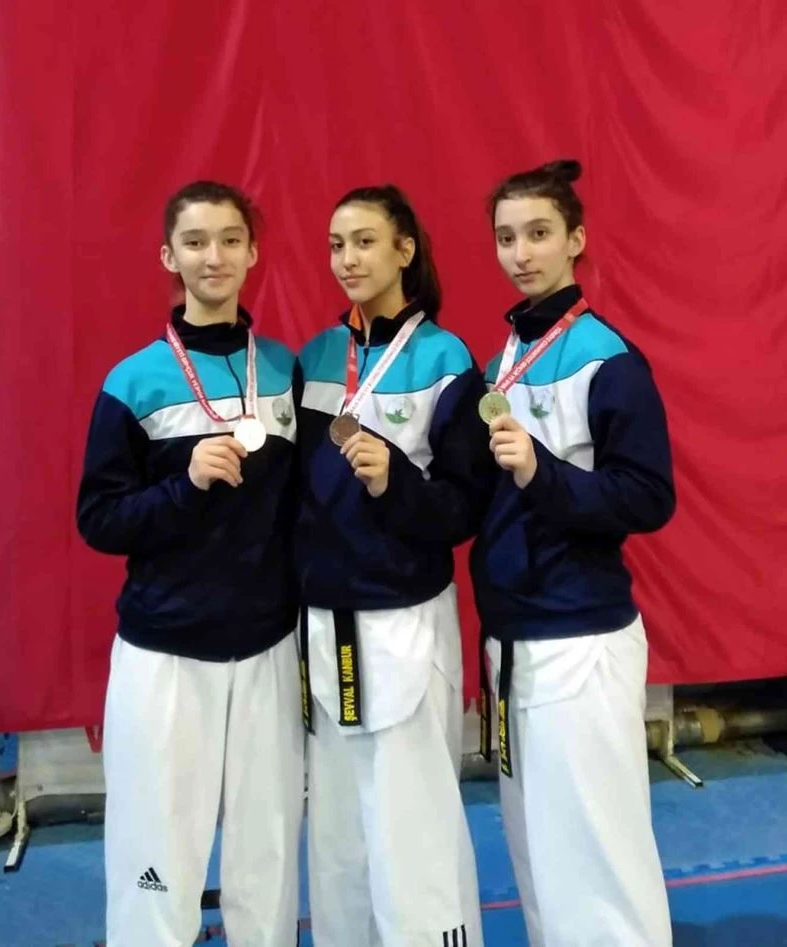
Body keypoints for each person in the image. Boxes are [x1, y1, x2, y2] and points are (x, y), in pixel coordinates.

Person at [77, 181, 303, 947]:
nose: (215, 256)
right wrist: (185, 486)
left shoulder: (282, 372)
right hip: (167, 650)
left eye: (231, 239)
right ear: (168, 257)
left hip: (268, 647)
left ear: (253, 252)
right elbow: (100, 520)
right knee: (157, 851)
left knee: (267, 850)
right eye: (197, 241)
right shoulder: (132, 381)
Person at [471, 159, 675, 946]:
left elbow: (648, 496)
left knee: (598, 857)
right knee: (540, 857)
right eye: (506, 237)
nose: (521, 253)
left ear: (576, 240)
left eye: (539, 233)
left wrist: (541, 470)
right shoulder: (505, 355)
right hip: (514, 636)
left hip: (580, 637)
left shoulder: (607, 358)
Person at [295, 184, 492, 947]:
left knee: (413, 827)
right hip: (324, 622)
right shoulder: (315, 357)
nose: (348, 259)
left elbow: (463, 507)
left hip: (404, 616)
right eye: (337, 245)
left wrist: (395, 481)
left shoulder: (446, 360)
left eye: (365, 241)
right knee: (339, 836)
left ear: (405, 249)